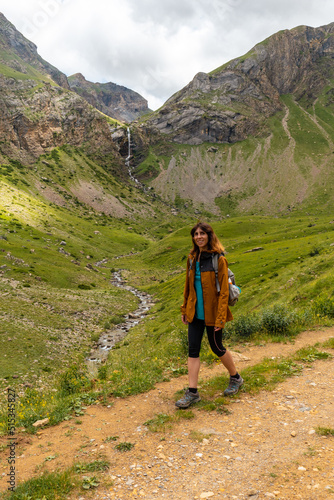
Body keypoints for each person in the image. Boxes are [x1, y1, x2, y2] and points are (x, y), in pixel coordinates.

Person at [175, 222, 244, 409]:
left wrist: (221, 318)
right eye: (196, 234)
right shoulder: (191, 258)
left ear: (209, 235)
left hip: (213, 313)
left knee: (217, 347)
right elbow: (188, 286)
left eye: (202, 234)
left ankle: (235, 378)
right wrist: (185, 309)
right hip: (195, 313)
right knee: (193, 350)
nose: (199, 237)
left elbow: (223, 292)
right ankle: (192, 392)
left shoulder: (218, 259)